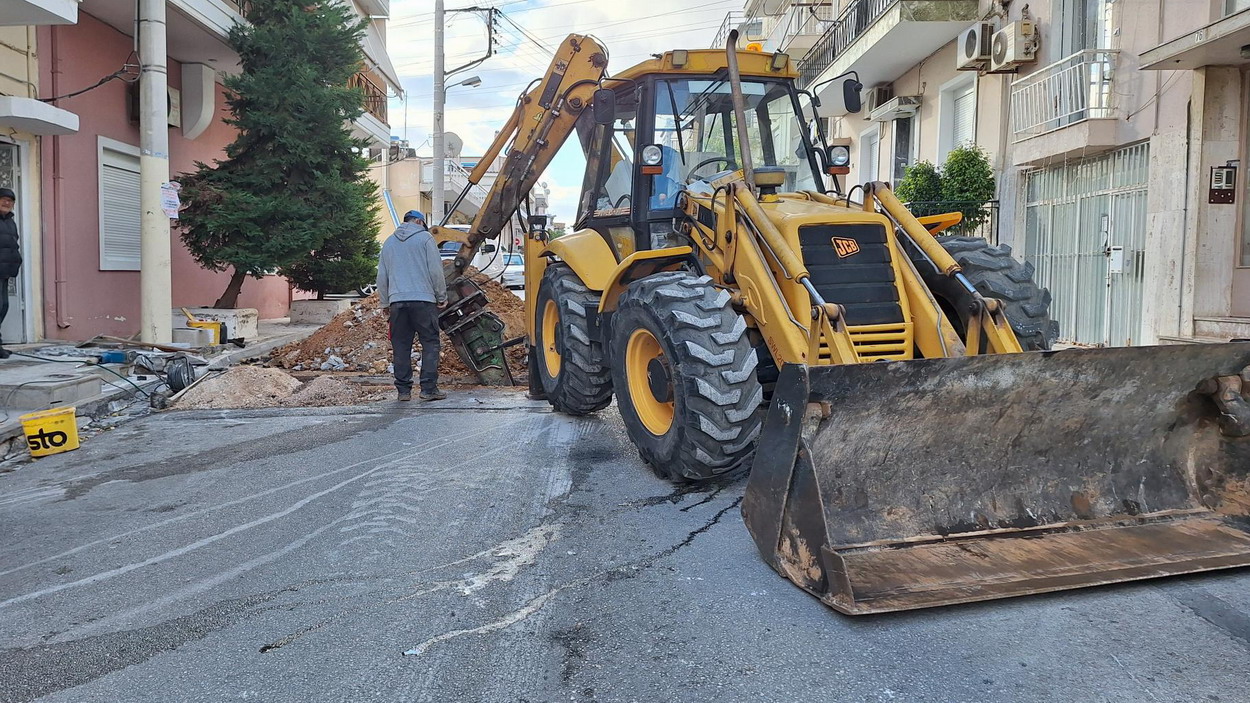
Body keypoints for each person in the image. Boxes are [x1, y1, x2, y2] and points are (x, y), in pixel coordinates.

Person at [377, 210, 448, 402]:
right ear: (419, 221)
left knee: (400, 345)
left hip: (397, 302)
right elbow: (435, 270)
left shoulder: (389, 242)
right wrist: (441, 295)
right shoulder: (425, 239)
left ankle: (403, 391)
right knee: (430, 343)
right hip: (423, 301)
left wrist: (385, 302)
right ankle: (428, 389)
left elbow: (382, 276)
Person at [0, 187, 21, 359]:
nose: (7, 203)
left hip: (4, 272)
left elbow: (13, 244)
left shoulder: (10, 222)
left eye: (10, 200)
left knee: (4, 306)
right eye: (3, 199)